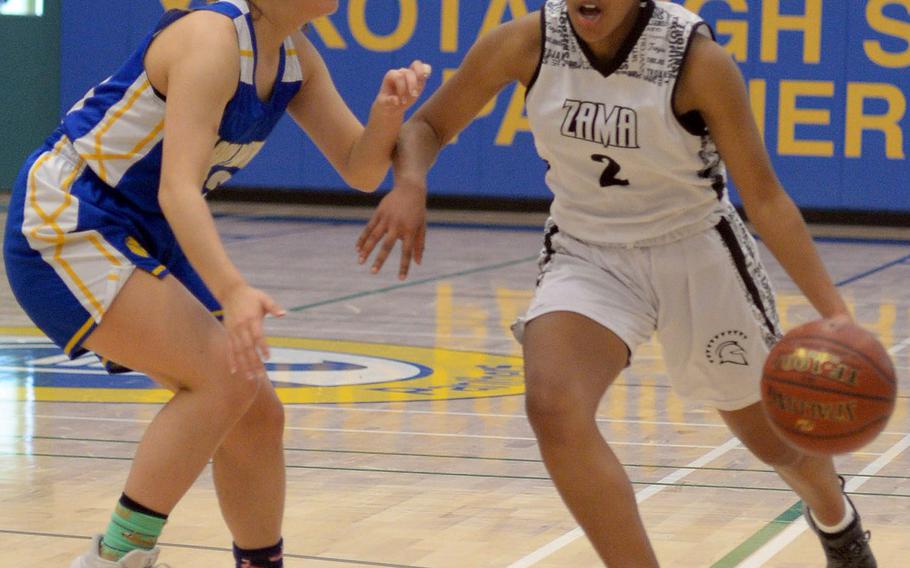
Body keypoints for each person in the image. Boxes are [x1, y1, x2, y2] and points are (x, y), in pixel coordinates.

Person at [356, 1, 876, 566]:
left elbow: (768, 200)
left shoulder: (697, 61)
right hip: (589, 250)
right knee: (553, 405)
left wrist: (836, 317)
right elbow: (429, 124)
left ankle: (836, 519)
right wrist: (410, 182)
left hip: (694, 247)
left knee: (770, 441)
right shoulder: (528, 41)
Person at [3, 1, 431, 567]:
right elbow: (177, 189)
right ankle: (113, 558)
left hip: (141, 229)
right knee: (225, 380)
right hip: (72, 217)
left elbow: (359, 169)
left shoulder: (296, 53)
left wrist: (385, 113)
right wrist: (231, 288)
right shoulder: (211, 38)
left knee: (257, 414)